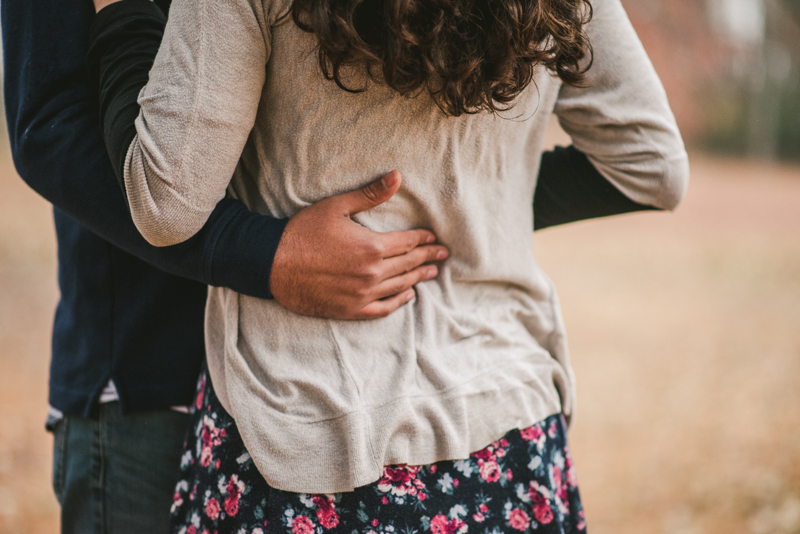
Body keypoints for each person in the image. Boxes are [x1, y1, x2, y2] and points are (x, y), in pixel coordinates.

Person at [86, 0, 689, 531]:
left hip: (310, 447)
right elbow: (652, 167)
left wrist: (121, 12)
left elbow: (166, 202)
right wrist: (477, 209)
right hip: (511, 438)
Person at [0, 1, 452, 533]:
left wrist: (468, 213)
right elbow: (50, 127)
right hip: (155, 378)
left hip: (345, 384)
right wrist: (264, 253)